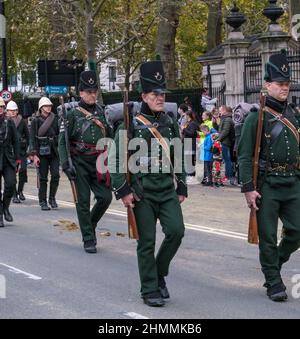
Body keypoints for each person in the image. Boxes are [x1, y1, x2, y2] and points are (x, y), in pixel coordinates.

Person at [109, 60, 187, 307]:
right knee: (147, 242)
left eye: (162, 94)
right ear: (144, 95)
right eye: (155, 94)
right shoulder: (130, 124)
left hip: (166, 189)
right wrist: (123, 190)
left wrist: (182, 182)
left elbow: (179, 153)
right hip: (142, 192)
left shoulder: (170, 122)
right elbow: (116, 159)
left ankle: (158, 272)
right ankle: (149, 288)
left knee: (176, 231)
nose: (160, 98)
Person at [238, 50, 300, 302]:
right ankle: (273, 281)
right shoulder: (257, 117)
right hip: (267, 185)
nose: (285, 88)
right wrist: (248, 188)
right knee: (267, 236)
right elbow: (243, 155)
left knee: (297, 231)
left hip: (293, 182)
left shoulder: (293, 115)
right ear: (267, 85)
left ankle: (274, 262)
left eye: (287, 84)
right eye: (280, 84)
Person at [58, 70, 112, 254]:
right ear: (80, 93)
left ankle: (90, 223)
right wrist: (66, 164)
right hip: (79, 161)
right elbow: (62, 141)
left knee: (105, 197)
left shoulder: (102, 112)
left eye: (94, 91)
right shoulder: (72, 114)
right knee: (82, 201)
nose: (92, 95)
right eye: (88, 92)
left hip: (99, 161)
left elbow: (109, 136)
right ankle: (88, 237)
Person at [29, 97, 60, 211]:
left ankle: (52, 198)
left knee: (56, 175)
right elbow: (32, 138)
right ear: (41, 107)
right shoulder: (35, 121)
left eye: (50, 106)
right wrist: (34, 154)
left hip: (54, 151)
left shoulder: (56, 119)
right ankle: (43, 201)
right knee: (43, 178)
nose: (49, 107)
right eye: (46, 106)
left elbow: (60, 135)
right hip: (41, 152)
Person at [0, 97, 20, 227]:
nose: (0, 110)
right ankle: (0, 215)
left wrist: (17, 158)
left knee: (11, 184)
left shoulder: (9, 122)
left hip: (7, 158)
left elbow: (16, 141)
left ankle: (5, 207)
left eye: (1, 107)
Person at [6, 101, 29, 203]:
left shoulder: (22, 121)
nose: (13, 112)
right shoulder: (5, 121)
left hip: (21, 150)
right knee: (13, 173)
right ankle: (14, 194)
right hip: (10, 152)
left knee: (23, 170)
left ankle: (20, 191)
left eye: (15, 110)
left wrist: (28, 148)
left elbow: (28, 136)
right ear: (7, 111)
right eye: (11, 110)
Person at [218, 105, 235, 185]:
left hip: (226, 142)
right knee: (227, 159)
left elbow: (225, 131)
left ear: (224, 111)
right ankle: (229, 176)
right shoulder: (225, 119)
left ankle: (229, 177)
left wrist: (219, 139)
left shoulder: (227, 119)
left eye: (220, 110)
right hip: (225, 141)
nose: (219, 112)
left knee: (227, 160)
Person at [182, 111, 200, 185]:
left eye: (185, 116)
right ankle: (189, 174)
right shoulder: (189, 123)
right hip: (187, 143)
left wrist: (184, 129)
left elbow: (192, 133)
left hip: (190, 143)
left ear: (188, 116)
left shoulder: (192, 123)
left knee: (190, 159)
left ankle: (191, 175)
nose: (184, 118)